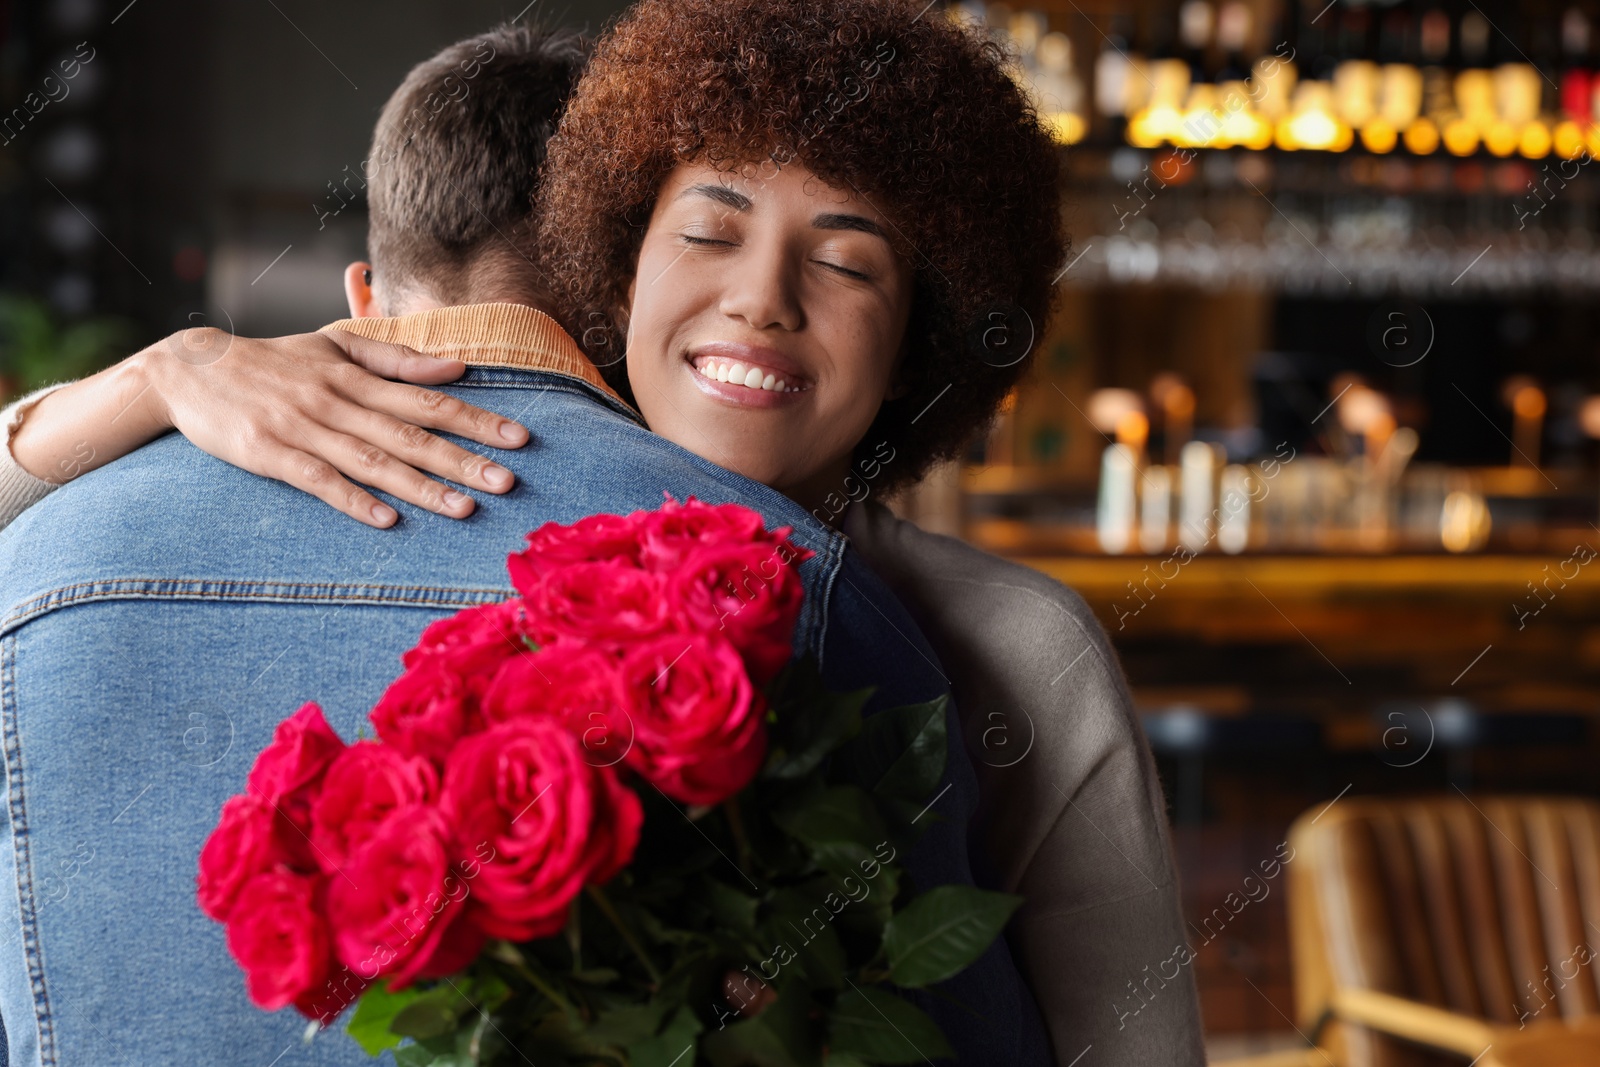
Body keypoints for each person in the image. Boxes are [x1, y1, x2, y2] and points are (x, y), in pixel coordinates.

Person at [0, 4, 1204, 1065]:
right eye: (708, 233)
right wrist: (164, 373)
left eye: (847, 263)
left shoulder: (984, 639)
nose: (761, 298)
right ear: (606, 284)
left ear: (919, 343)